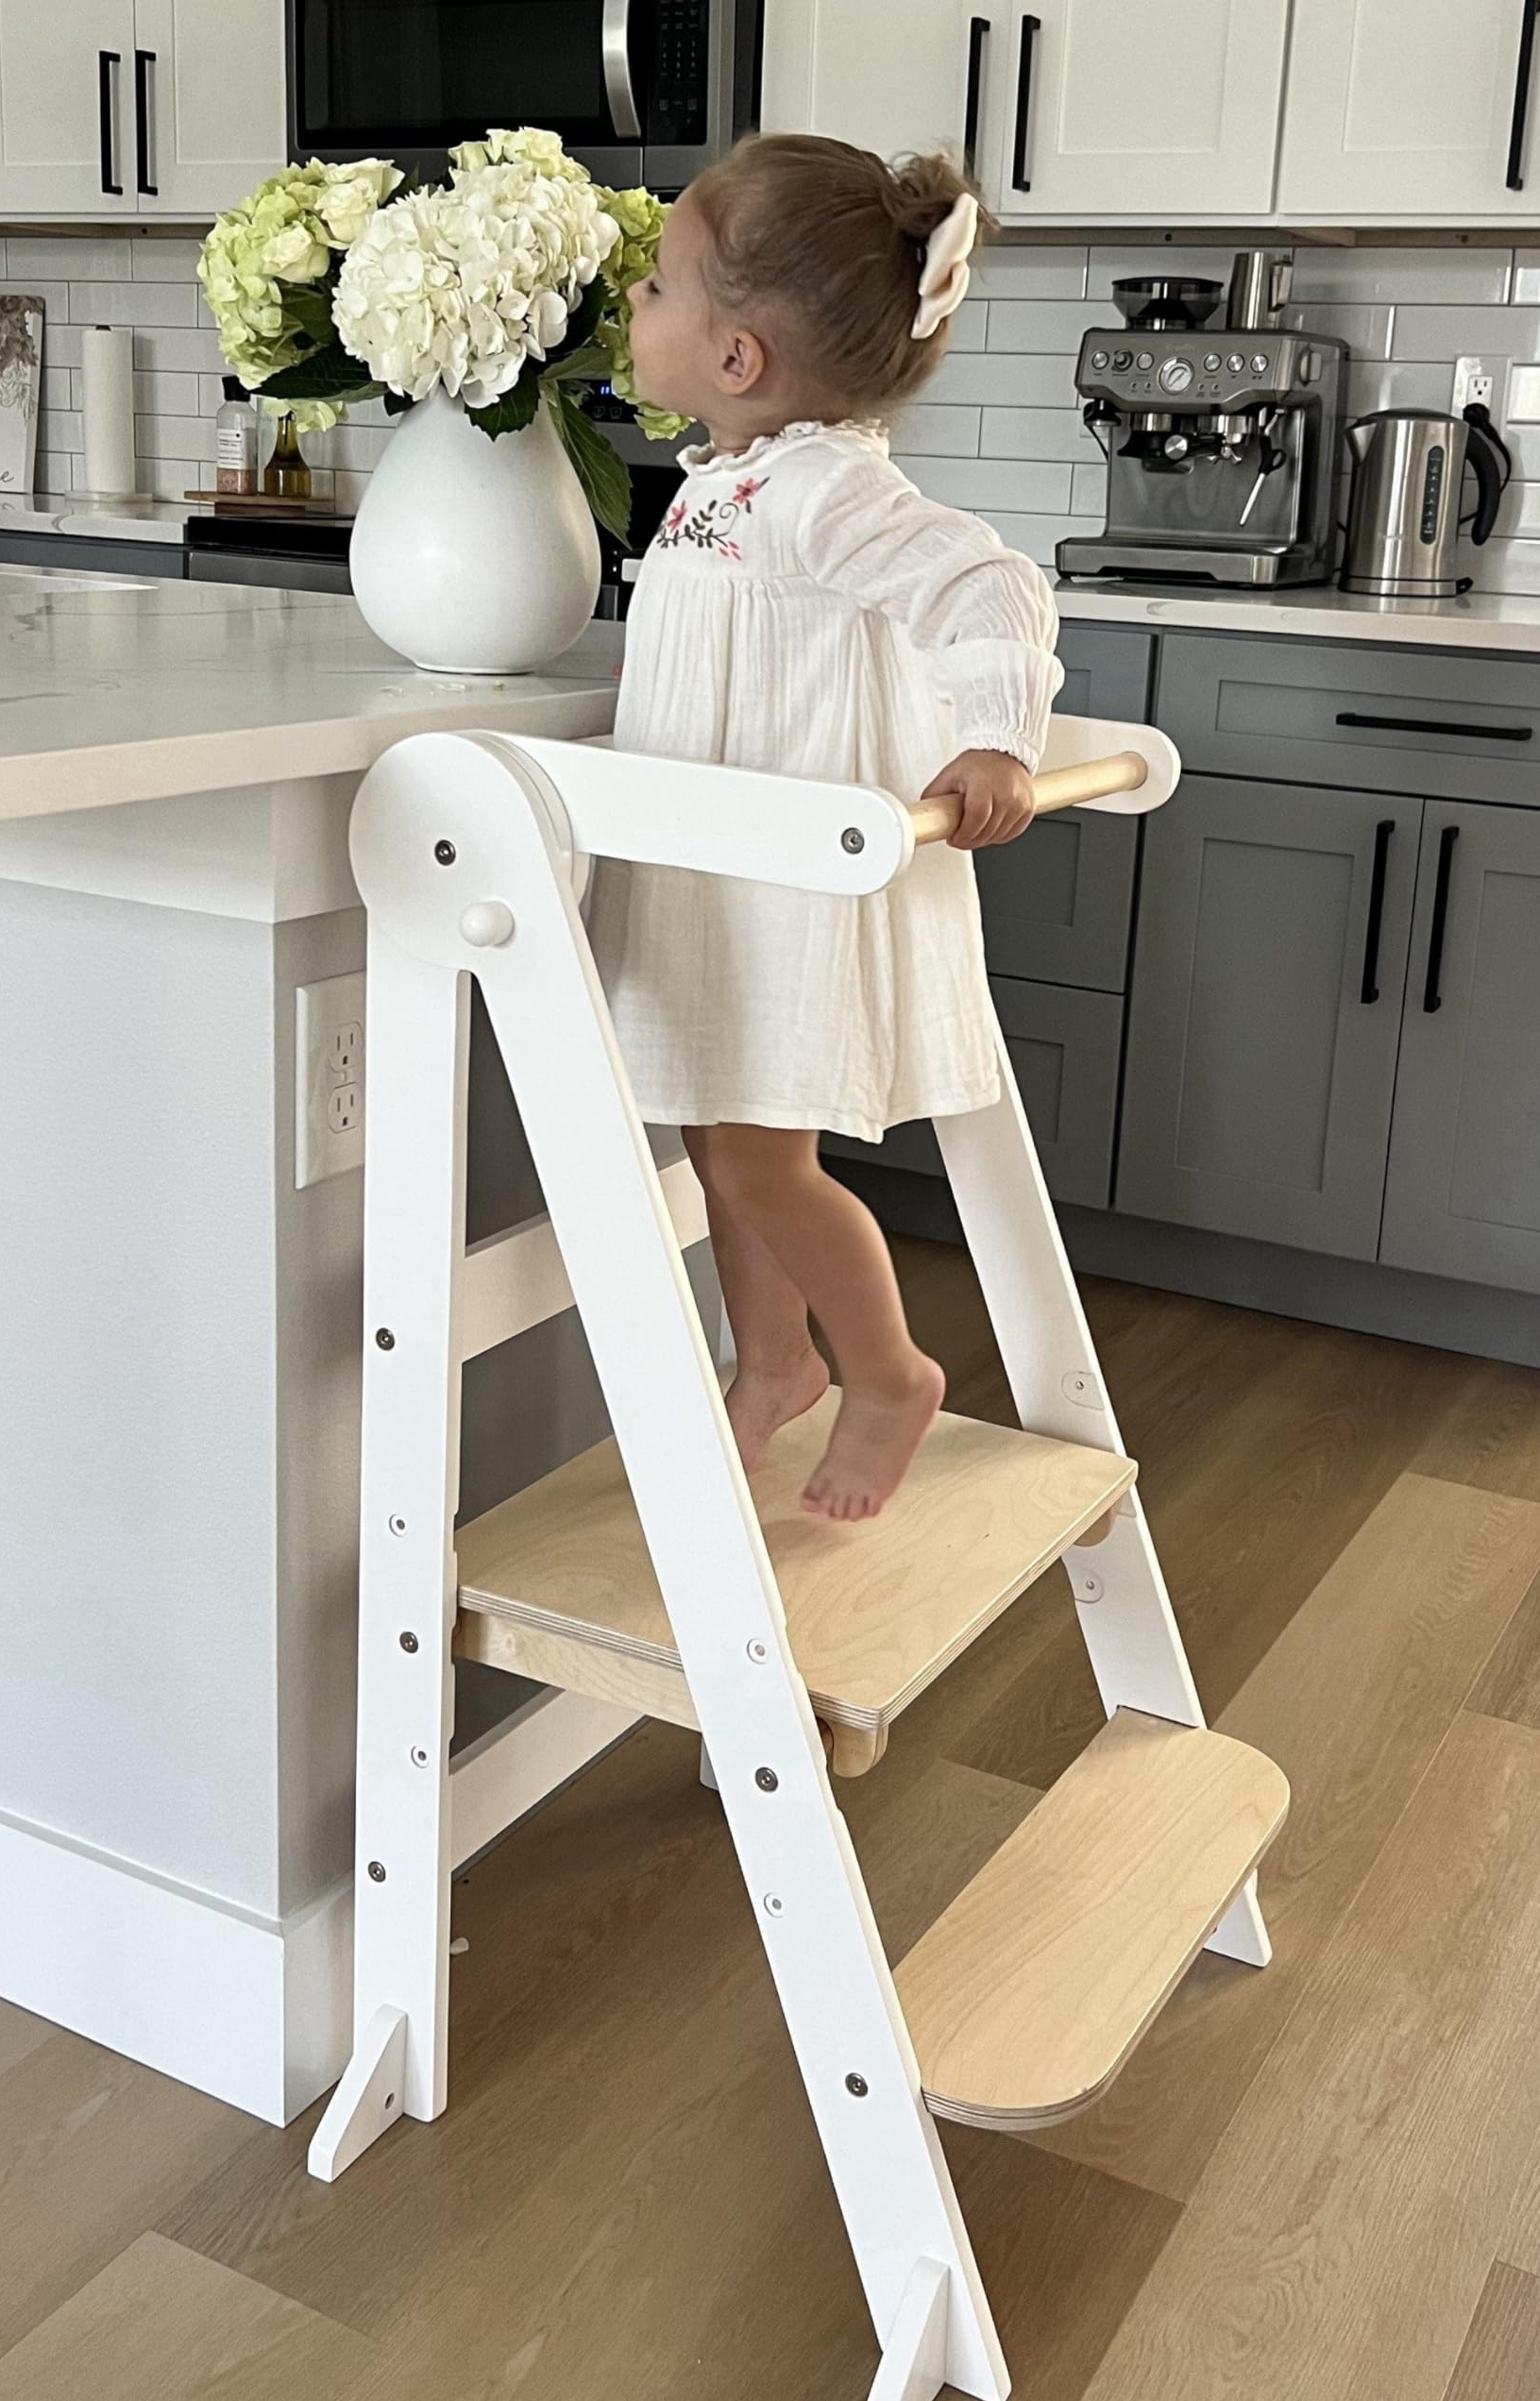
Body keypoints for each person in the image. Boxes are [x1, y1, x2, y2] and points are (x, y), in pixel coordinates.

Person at [593, 132, 1060, 1523]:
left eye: (660, 288)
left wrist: (1000, 735)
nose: (637, 304)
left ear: (738, 356)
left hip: (783, 897)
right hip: (712, 885)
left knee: (758, 1159)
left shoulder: (820, 487)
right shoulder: (726, 480)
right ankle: (776, 1362)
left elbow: (990, 587)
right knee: (718, 1145)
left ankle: (887, 1370)